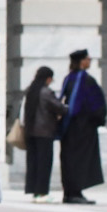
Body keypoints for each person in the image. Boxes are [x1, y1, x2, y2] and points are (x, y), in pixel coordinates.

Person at [58, 49, 106, 205]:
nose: (90, 61)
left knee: (69, 159)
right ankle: (74, 192)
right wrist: (98, 119)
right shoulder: (85, 80)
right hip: (82, 129)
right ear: (81, 61)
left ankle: (70, 192)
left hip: (70, 128)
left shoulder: (69, 78)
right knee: (78, 160)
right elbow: (95, 104)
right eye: (88, 58)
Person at [20, 67, 64, 200]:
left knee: (33, 162)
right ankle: (42, 193)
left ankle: (34, 191)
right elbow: (59, 107)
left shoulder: (30, 90)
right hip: (44, 132)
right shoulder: (45, 92)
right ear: (48, 78)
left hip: (30, 132)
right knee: (44, 163)